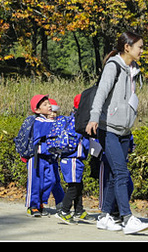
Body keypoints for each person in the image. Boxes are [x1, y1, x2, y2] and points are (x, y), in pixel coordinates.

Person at [85, 30, 148, 235]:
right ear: (127, 47)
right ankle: (127, 218)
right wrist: (94, 117)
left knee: (115, 174)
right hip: (108, 128)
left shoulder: (133, 70)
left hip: (124, 131)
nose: (142, 50)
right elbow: (101, 93)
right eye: (139, 47)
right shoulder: (113, 66)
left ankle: (104, 216)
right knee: (121, 172)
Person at [48, 93, 91, 224]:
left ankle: (79, 210)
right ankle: (64, 211)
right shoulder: (81, 120)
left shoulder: (73, 118)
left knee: (78, 184)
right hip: (72, 158)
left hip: (71, 158)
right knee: (74, 186)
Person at [25, 94, 62, 216]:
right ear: (37, 110)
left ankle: (41, 202)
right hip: (36, 156)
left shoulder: (49, 121)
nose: (49, 106)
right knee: (34, 182)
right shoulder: (39, 121)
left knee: (51, 180)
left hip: (48, 156)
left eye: (49, 103)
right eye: (45, 105)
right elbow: (51, 127)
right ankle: (33, 206)